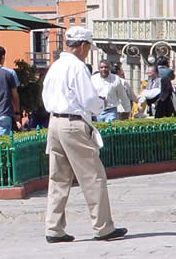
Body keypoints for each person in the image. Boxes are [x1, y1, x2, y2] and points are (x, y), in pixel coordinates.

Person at [42, 26, 127, 243]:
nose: (88, 51)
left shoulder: (56, 65)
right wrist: (101, 104)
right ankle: (103, 227)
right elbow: (89, 100)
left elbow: (45, 96)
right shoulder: (78, 67)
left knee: (58, 178)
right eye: (88, 47)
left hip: (55, 122)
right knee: (93, 176)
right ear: (82, 46)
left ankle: (54, 228)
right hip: (73, 123)